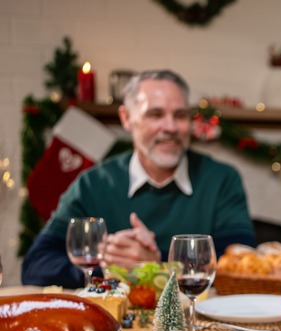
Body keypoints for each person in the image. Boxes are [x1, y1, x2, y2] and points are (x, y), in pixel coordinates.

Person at [22, 69, 255, 288]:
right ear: (126, 118)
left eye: (180, 115)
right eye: (155, 114)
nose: (170, 127)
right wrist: (112, 269)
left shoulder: (222, 179)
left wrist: (156, 264)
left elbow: (244, 268)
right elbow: (36, 266)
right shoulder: (93, 184)